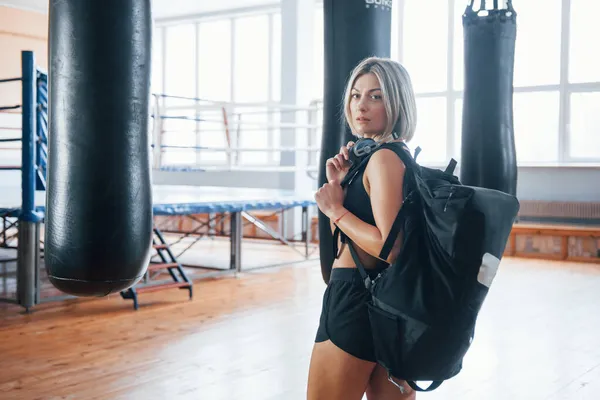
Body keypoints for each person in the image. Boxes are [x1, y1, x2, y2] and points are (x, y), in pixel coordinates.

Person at [307, 56, 418, 400]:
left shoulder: (384, 159)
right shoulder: (387, 157)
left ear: (397, 102)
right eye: (356, 95)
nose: (361, 106)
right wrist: (341, 186)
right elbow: (348, 242)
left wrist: (335, 210)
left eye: (376, 96)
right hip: (389, 301)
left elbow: (389, 246)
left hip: (356, 300)